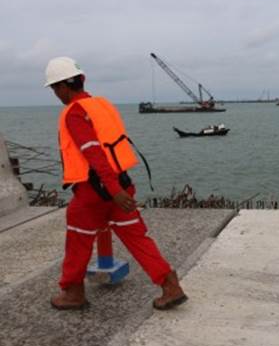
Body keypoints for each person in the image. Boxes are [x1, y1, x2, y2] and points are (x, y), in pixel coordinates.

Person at [45, 57, 187, 311]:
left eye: (55, 88)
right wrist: (118, 190)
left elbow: (93, 152)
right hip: (122, 184)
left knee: (77, 242)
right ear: (82, 79)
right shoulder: (103, 105)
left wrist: (112, 190)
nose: (56, 94)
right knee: (138, 238)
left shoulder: (75, 113)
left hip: (94, 192)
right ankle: (170, 285)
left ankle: (73, 293)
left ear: (64, 86)